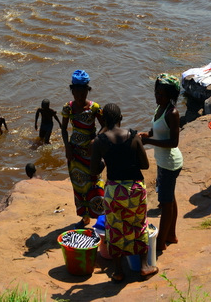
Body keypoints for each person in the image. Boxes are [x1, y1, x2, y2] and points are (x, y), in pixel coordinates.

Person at [90, 103, 158, 282]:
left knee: (114, 229)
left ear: (103, 120)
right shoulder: (133, 136)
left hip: (114, 191)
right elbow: (145, 165)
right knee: (139, 224)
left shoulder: (99, 141)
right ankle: (144, 266)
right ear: (121, 118)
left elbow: (93, 170)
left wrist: (105, 162)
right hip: (134, 188)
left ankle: (118, 271)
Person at [139, 73, 183, 253]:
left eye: (162, 95)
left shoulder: (172, 112)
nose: (158, 97)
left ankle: (161, 242)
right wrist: (146, 135)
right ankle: (171, 234)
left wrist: (149, 142)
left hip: (170, 163)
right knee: (169, 199)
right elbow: (156, 130)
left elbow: (174, 142)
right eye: (156, 93)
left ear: (170, 96)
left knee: (165, 203)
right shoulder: (160, 109)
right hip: (163, 161)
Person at [61, 69, 104, 226]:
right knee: (78, 186)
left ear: (88, 90)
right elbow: (64, 129)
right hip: (75, 153)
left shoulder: (94, 108)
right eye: (76, 93)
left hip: (91, 153)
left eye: (83, 93)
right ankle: (85, 218)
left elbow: (105, 126)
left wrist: (96, 140)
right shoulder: (68, 108)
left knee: (96, 184)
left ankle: (101, 219)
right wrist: (67, 147)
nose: (79, 97)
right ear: (72, 91)